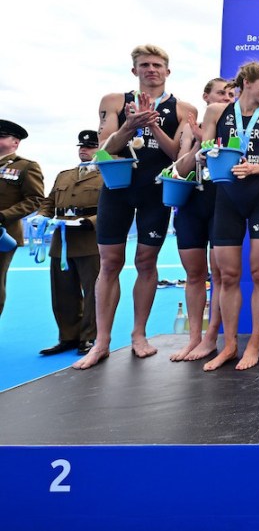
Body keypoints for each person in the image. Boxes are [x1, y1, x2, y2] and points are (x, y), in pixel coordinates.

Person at [75, 45, 197, 369]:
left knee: (146, 260)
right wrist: (130, 125)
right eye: (145, 65)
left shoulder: (184, 109)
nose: (151, 69)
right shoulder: (114, 102)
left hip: (155, 192)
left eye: (157, 65)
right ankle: (101, 341)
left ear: (167, 71)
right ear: (135, 71)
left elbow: (177, 157)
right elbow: (103, 149)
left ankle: (139, 334)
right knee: (109, 261)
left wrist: (154, 125)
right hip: (117, 189)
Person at [200, 61, 259, 371]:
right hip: (227, 199)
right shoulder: (216, 112)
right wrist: (211, 152)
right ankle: (230, 345)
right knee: (228, 275)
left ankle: (255, 343)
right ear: (247, 82)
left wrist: (252, 168)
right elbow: (205, 149)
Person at [168, 77, 235, 362]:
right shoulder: (188, 128)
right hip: (192, 204)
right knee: (194, 274)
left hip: (223, 204)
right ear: (206, 97)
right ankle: (194, 337)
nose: (227, 99)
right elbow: (179, 170)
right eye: (221, 93)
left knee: (219, 273)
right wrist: (199, 143)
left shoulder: (236, 126)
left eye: (232, 95)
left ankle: (212, 337)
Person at [36, 130, 103, 355]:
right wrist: (43, 215)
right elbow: (50, 201)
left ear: (101, 148)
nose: (84, 149)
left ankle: (89, 337)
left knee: (93, 291)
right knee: (62, 292)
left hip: (90, 240)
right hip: (62, 241)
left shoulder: (107, 174)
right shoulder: (64, 175)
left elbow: (114, 208)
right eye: (82, 146)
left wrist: (90, 221)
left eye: (91, 146)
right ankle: (68, 336)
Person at [0, 119, 45, 321]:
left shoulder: (26, 167)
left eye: (1, 136)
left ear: (15, 142)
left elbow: (35, 200)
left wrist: (3, 216)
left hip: (2, 234)